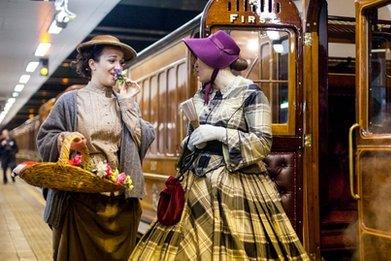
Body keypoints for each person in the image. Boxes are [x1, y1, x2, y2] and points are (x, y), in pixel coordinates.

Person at [130, 30, 309, 260]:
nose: (195, 65)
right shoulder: (202, 96)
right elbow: (191, 144)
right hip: (195, 184)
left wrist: (219, 133)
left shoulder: (251, 94)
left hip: (236, 185)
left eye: (200, 59)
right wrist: (191, 142)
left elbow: (263, 143)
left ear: (217, 61)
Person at [36, 35, 155, 260]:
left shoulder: (125, 102)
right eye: (112, 61)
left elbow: (142, 140)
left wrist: (128, 102)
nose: (118, 68)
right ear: (92, 64)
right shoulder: (70, 101)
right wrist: (65, 139)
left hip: (120, 203)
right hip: (80, 204)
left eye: (121, 63)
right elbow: (45, 138)